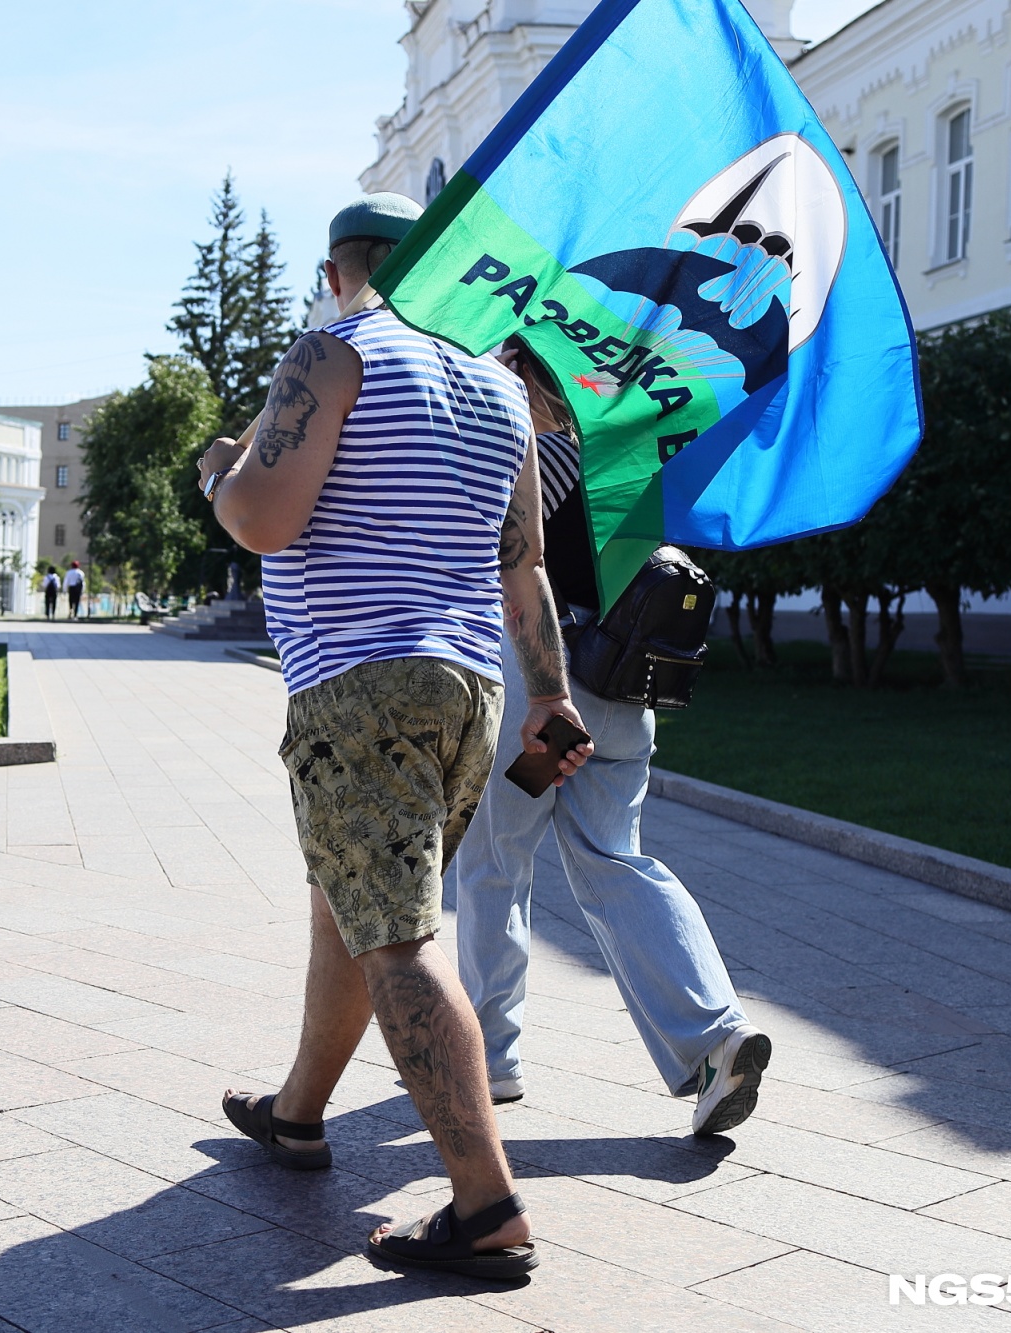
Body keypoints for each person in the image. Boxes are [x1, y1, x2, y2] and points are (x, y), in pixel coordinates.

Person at [197, 193, 591, 1282]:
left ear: (337, 273)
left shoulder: (331, 353)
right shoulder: (496, 387)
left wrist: (218, 476)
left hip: (359, 686)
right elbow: (525, 567)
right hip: (468, 687)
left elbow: (263, 518)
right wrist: (550, 696)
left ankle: (484, 1206)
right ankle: (296, 1115)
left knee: (397, 939)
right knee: (356, 902)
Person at [451, 345, 769, 1136]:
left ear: (526, 372)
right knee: (614, 860)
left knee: (497, 861)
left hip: (547, 697)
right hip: (627, 701)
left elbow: (500, 564)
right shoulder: (637, 461)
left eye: (502, 360)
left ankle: (490, 1056)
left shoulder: (538, 456)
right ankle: (716, 1033)